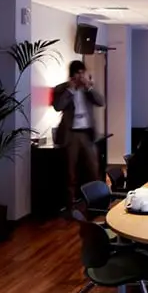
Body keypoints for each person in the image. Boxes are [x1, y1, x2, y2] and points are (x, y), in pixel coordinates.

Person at [52, 60, 105, 204]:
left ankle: (96, 199)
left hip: (87, 133)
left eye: (83, 72)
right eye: (78, 73)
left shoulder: (88, 88)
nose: (81, 76)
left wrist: (88, 87)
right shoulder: (61, 89)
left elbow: (101, 102)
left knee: (93, 167)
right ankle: (70, 203)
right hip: (71, 134)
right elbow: (58, 106)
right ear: (72, 75)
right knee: (70, 171)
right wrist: (70, 90)